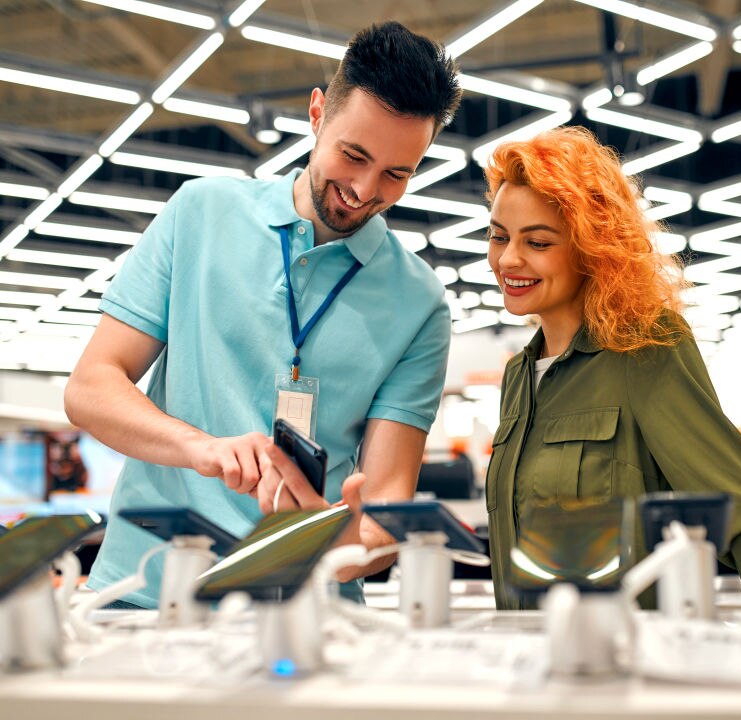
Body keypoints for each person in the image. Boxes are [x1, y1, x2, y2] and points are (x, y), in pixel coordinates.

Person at [64, 21, 462, 607]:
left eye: (396, 174)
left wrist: (333, 535)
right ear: (317, 112)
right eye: (353, 155)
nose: (364, 188)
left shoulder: (420, 302)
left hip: (307, 611)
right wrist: (198, 447)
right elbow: (90, 389)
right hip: (146, 591)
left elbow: (382, 518)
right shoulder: (201, 212)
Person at [483, 126, 741, 610]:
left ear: (593, 247)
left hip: (624, 666)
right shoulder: (518, 378)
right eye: (498, 236)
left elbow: (737, 503)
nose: (509, 258)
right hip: (530, 663)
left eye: (539, 242)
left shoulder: (645, 347)